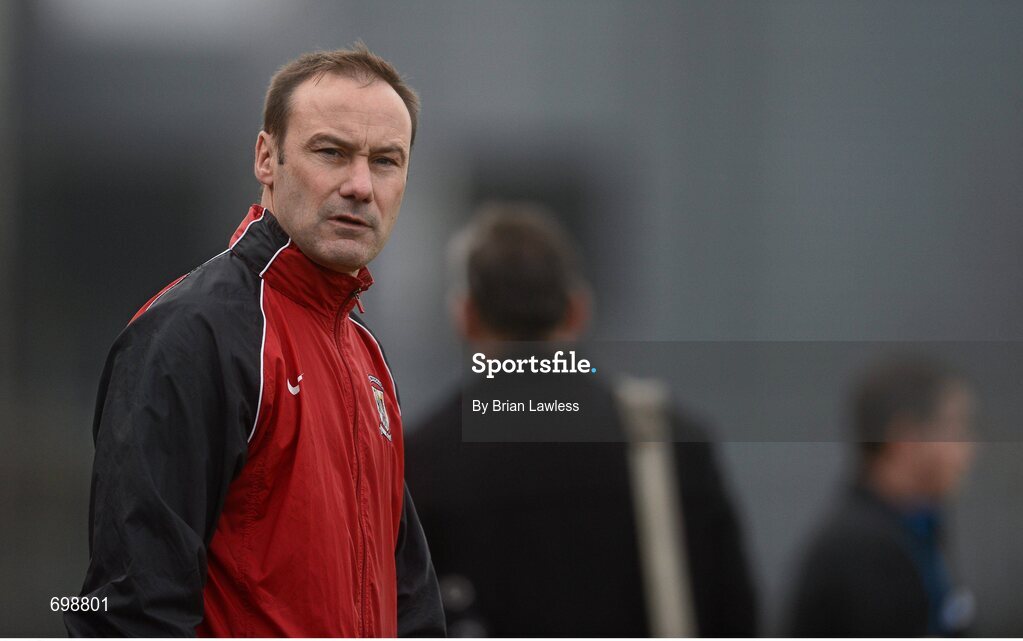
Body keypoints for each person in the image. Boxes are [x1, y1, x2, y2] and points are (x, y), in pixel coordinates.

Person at [65, 45, 444, 637]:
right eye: (331, 152)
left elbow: (412, 604)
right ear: (267, 158)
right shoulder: (191, 333)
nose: (360, 185)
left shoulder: (364, 350)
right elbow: (130, 609)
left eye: (386, 161)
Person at [405, 203, 758, 637]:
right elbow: (737, 618)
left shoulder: (421, 459)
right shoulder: (673, 442)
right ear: (577, 310)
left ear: (465, 317)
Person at [786, 356, 976, 637]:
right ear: (905, 439)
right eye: (954, 430)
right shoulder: (860, 552)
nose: (969, 449)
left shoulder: (916, 531)